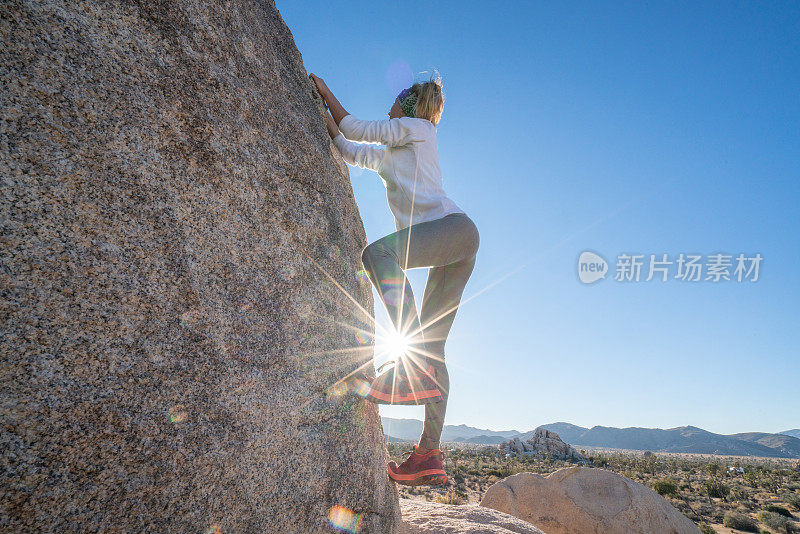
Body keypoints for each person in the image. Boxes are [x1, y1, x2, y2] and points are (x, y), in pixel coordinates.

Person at [309, 72, 480, 486]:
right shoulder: (393, 151)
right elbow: (350, 148)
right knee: (433, 346)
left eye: (400, 96)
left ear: (409, 104)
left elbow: (352, 126)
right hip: (457, 246)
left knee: (377, 254)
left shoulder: (418, 129)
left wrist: (322, 89)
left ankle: (409, 368)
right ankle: (429, 454)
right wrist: (321, 116)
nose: (393, 99)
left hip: (454, 230)